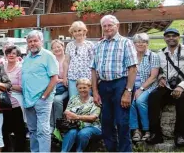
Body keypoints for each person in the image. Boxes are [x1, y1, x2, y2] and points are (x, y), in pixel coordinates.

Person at [91, 15, 137, 152]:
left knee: (122, 122)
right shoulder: (98, 45)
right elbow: (93, 69)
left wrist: (128, 91)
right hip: (104, 85)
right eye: (104, 26)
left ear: (117, 25)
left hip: (121, 84)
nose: (107, 28)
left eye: (110, 25)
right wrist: (94, 91)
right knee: (106, 122)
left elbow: (133, 68)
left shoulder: (125, 43)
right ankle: (112, 149)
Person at [22, 30, 59, 152]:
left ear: (41, 41)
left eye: (35, 41)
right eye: (30, 41)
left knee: (43, 130)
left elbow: (54, 79)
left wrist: (44, 96)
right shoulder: (27, 58)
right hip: (28, 100)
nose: (32, 43)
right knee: (32, 130)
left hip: (42, 100)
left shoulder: (48, 56)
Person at [147, 28, 184, 146]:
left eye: (174, 35)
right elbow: (160, 70)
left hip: (182, 86)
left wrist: (181, 87)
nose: (171, 38)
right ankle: (156, 134)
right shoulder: (160, 53)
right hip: (167, 86)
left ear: (179, 37)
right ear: (164, 38)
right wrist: (161, 78)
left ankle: (180, 135)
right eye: (168, 36)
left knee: (183, 100)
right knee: (153, 96)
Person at [129, 33, 160, 142]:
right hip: (133, 86)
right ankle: (136, 130)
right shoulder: (130, 56)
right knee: (130, 102)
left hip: (148, 86)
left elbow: (153, 77)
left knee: (140, 101)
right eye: (138, 42)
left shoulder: (153, 56)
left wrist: (140, 89)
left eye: (144, 42)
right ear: (134, 44)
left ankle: (147, 130)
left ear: (147, 43)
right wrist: (130, 90)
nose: (140, 44)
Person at [61, 78, 102, 152]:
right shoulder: (73, 98)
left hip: (92, 126)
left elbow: (93, 118)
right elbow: (66, 112)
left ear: (89, 88)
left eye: (84, 87)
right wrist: (70, 116)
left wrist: (77, 117)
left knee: (83, 133)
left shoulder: (95, 100)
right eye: (80, 88)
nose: (82, 90)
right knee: (71, 132)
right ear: (77, 88)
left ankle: (79, 150)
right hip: (76, 125)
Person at [2, 46, 27, 152]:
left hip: (16, 104)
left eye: (14, 53)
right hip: (2, 103)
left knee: (19, 131)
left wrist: (6, 85)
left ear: (18, 56)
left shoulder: (21, 68)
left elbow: (22, 87)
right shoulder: (1, 67)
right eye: (8, 53)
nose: (11, 55)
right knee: (3, 130)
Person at [63, 21, 95, 97]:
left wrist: (94, 79)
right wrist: (65, 77)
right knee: (73, 100)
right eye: (75, 31)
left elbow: (93, 62)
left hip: (87, 78)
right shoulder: (69, 45)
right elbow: (66, 62)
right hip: (72, 78)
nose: (77, 33)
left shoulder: (90, 45)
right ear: (72, 33)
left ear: (84, 31)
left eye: (79, 30)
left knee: (86, 101)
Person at [50, 40, 68, 130]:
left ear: (63, 46)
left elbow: (70, 77)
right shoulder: (51, 60)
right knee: (47, 99)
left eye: (58, 46)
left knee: (57, 100)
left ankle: (58, 125)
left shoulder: (68, 59)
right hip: (54, 87)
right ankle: (51, 125)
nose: (57, 49)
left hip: (66, 88)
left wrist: (60, 80)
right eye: (54, 48)